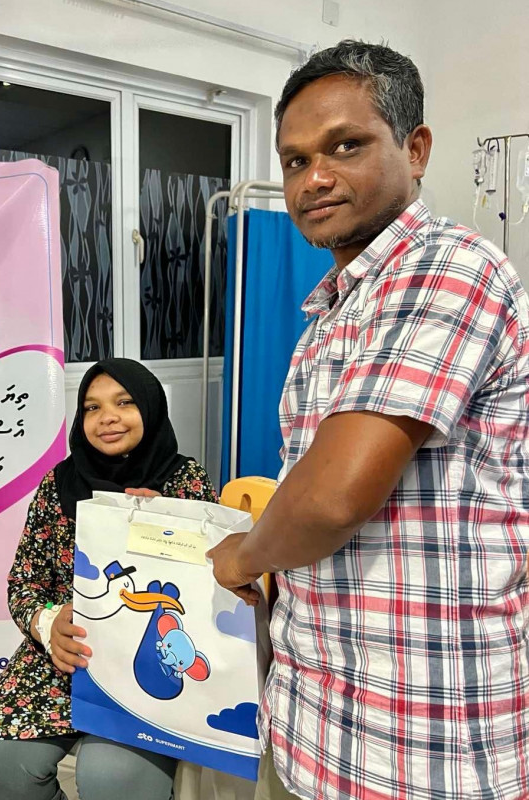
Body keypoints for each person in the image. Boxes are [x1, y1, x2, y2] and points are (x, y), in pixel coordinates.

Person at [208, 40, 529, 800]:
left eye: (345, 146)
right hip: (320, 718)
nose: (314, 178)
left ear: (415, 150)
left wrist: (244, 557)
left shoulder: (449, 268)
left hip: (423, 740)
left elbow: (331, 498)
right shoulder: (332, 312)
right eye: (294, 160)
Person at [0, 358, 218, 800]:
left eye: (124, 402)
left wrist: (168, 523)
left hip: (149, 658)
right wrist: (47, 625)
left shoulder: (184, 482)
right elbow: (24, 583)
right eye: (92, 407)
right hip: (68, 656)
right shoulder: (58, 484)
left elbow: (218, 582)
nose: (107, 418)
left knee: (110, 777)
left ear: (151, 408)